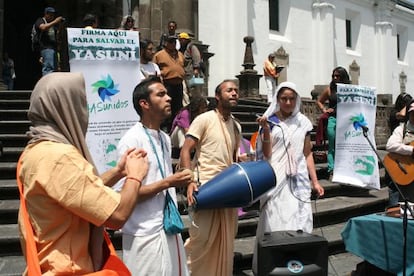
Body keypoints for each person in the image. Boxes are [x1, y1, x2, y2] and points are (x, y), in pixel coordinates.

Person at [17, 72, 149, 274]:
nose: (85, 111)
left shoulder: (35, 151)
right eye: (81, 102)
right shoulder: (59, 156)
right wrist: (135, 176)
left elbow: (78, 191)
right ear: (65, 107)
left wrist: (117, 172)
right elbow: (117, 215)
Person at [116, 76, 193, 275]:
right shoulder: (132, 139)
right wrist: (168, 182)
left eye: (167, 94)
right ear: (144, 104)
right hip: (144, 232)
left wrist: (177, 179)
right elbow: (126, 195)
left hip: (168, 226)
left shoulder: (165, 138)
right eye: (161, 94)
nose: (168, 98)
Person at [253, 81, 324, 273]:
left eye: (292, 98)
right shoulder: (269, 121)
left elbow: (307, 153)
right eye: (284, 98)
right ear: (277, 100)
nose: (288, 102)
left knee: (299, 221)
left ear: (297, 100)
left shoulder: (303, 122)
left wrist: (315, 181)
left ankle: (299, 265)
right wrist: (266, 130)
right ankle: (273, 266)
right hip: (275, 178)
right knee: (275, 220)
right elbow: (266, 154)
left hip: (298, 179)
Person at [180, 79, 249, 276]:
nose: (234, 93)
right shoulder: (204, 119)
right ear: (218, 97)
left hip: (229, 189)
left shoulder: (235, 125)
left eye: (236, 90)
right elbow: (186, 150)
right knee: (201, 238)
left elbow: (233, 158)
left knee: (226, 239)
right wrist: (189, 181)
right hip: (207, 188)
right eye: (229, 91)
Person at [316, 66, 351, 179]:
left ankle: (343, 168)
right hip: (333, 119)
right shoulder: (329, 89)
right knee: (332, 145)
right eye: (334, 76)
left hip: (345, 120)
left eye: (338, 76)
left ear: (343, 77)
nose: (335, 78)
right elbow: (319, 101)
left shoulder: (349, 89)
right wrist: (324, 110)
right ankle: (331, 170)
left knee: (344, 145)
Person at [153, 35, 185, 132]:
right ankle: (164, 128)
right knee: (166, 106)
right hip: (167, 84)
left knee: (178, 107)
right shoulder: (159, 55)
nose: (173, 44)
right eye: (171, 42)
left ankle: (175, 128)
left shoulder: (180, 55)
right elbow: (154, 67)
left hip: (179, 84)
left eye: (174, 42)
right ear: (166, 43)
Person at [386, 99, 414, 206]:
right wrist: (411, 150)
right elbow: (390, 145)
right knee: (395, 211)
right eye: (412, 113)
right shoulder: (401, 129)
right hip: (401, 171)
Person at [34, 7, 65, 76]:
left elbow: (58, 36)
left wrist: (60, 25)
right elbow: (43, 27)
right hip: (46, 47)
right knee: (48, 68)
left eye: (53, 15)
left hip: (54, 48)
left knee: (56, 69)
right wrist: (55, 21)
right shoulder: (41, 20)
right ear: (45, 14)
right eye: (50, 14)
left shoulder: (54, 24)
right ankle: (46, 85)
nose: (52, 16)